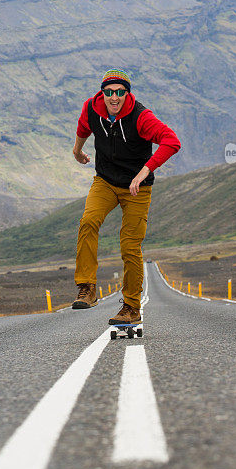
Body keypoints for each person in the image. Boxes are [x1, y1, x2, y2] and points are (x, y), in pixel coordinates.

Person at [72, 68, 181, 324]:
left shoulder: (141, 116)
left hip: (137, 187)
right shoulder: (92, 108)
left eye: (120, 92)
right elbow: (83, 127)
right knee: (88, 222)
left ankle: (131, 308)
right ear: (102, 92)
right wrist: (78, 151)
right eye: (109, 92)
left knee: (129, 245)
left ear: (127, 93)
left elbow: (171, 141)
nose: (114, 97)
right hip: (106, 182)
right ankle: (87, 288)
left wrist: (145, 171)